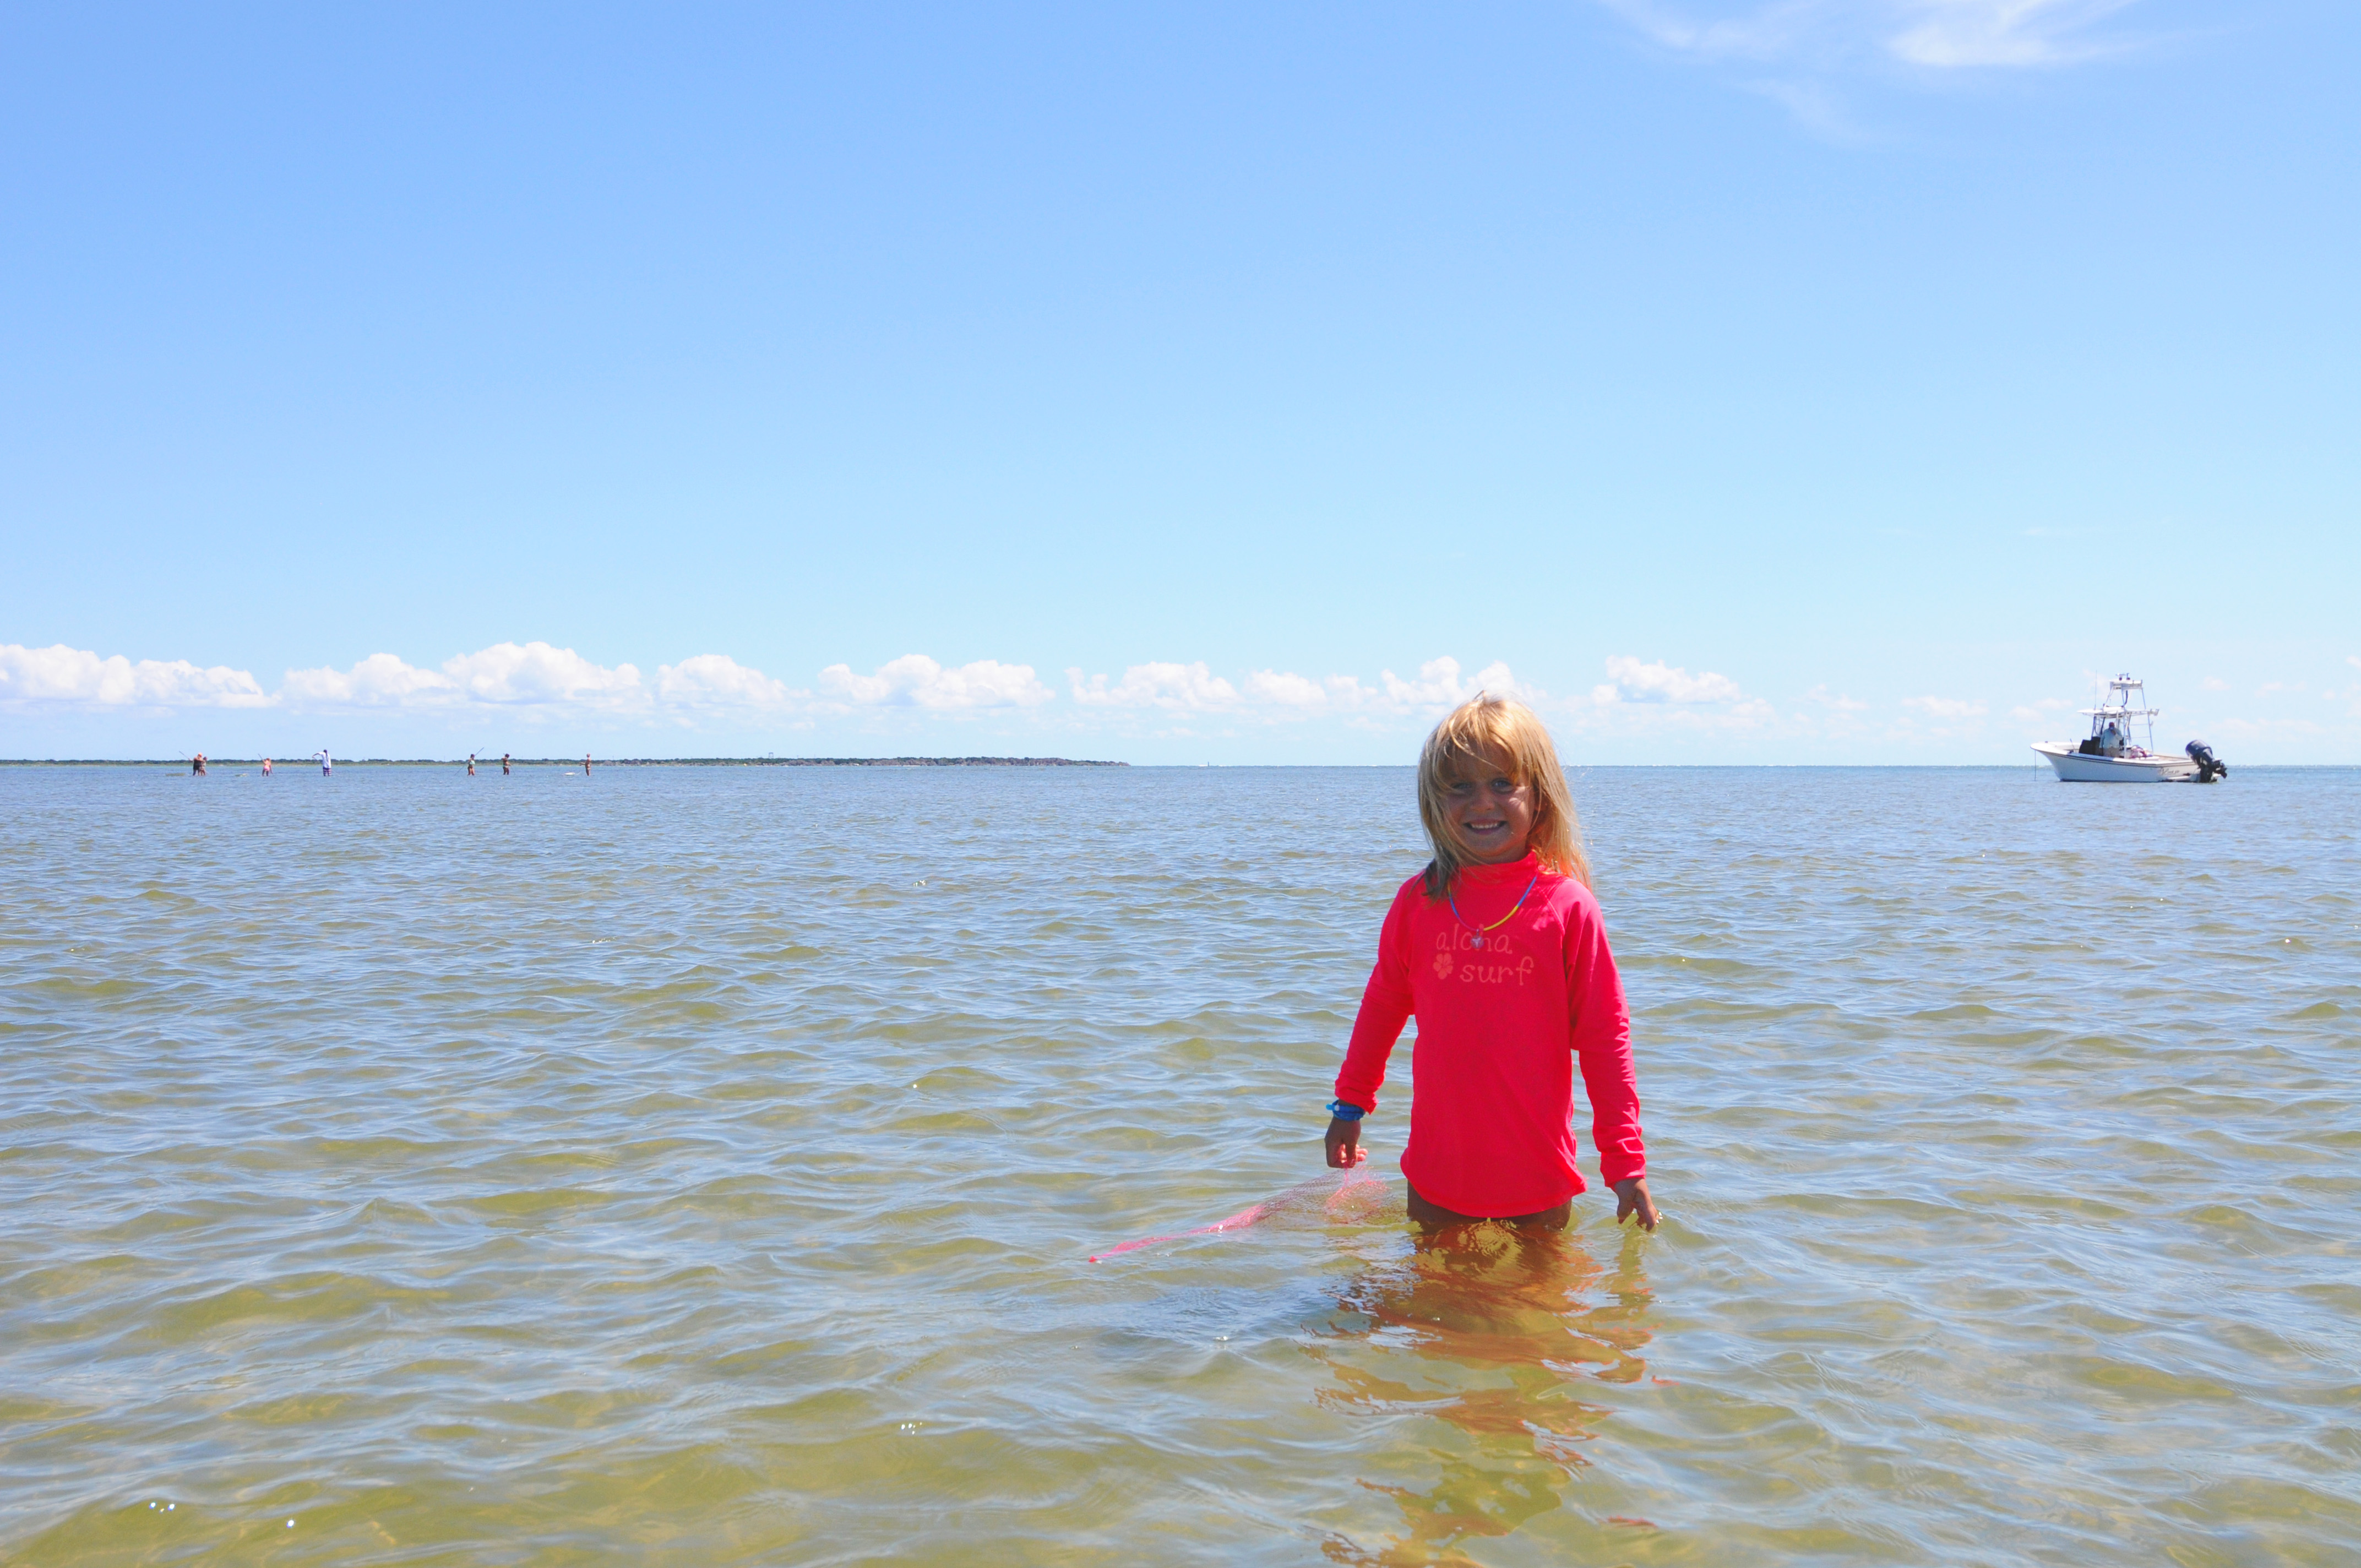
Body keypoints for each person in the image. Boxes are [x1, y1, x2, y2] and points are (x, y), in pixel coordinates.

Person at [1324, 694, 1658, 1233]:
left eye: (1503, 783)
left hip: (1537, 1178)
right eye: (1461, 786)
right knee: (1430, 1310)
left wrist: (1625, 1162)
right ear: (1435, 801)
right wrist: (1349, 1105)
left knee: (1538, 1314)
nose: (1482, 802)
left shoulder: (1568, 907)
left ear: (1540, 797)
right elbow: (1383, 1005)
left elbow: (1605, 1038)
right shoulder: (1419, 902)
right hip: (1436, 1174)